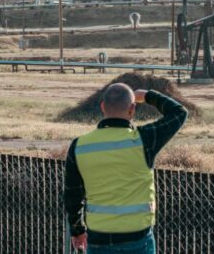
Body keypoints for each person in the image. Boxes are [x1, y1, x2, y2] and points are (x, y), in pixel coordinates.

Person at [64, 83, 188, 253]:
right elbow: (179, 113)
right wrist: (148, 96)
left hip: (99, 239)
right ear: (132, 109)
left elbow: (72, 195)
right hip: (138, 239)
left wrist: (77, 230)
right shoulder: (144, 140)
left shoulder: (79, 146)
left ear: (102, 107)